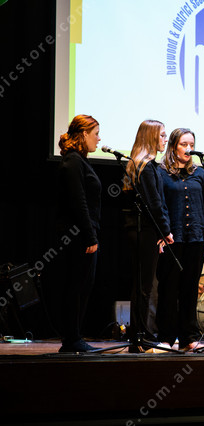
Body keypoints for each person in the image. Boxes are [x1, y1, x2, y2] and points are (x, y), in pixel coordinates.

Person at [156, 128, 204, 351]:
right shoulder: (161, 172)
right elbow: (159, 205)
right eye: (184, 144)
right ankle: (166, 337)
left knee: (190, 289)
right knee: (169, 288)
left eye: (191, 144)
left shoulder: (199, 173)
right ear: (173, 146)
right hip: (173, 238)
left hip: (196, 238)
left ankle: (188, 337)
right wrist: (162, 233)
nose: (189, 149)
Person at [51, 114, 102, 353]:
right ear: (83, 134)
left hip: (83, 234)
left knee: (83, 286)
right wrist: (90, 236)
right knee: (76, 286)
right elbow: (78, 202)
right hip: (76, 236)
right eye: (96, 134)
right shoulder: (73, 161)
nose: (99, 139)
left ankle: (74, 338)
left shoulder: (80, 161)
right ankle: (71, 339)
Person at [124, 119, 173, 352]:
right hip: (144, 230)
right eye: (162, 135)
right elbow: (154, 204)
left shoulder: (141, 165)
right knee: (144, 286)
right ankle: (142, 338)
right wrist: (165, 231)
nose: (165, 139)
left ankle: (139, 336)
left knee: (143, 285)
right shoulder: (147, 166)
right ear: (151, 137)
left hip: (142, 230)